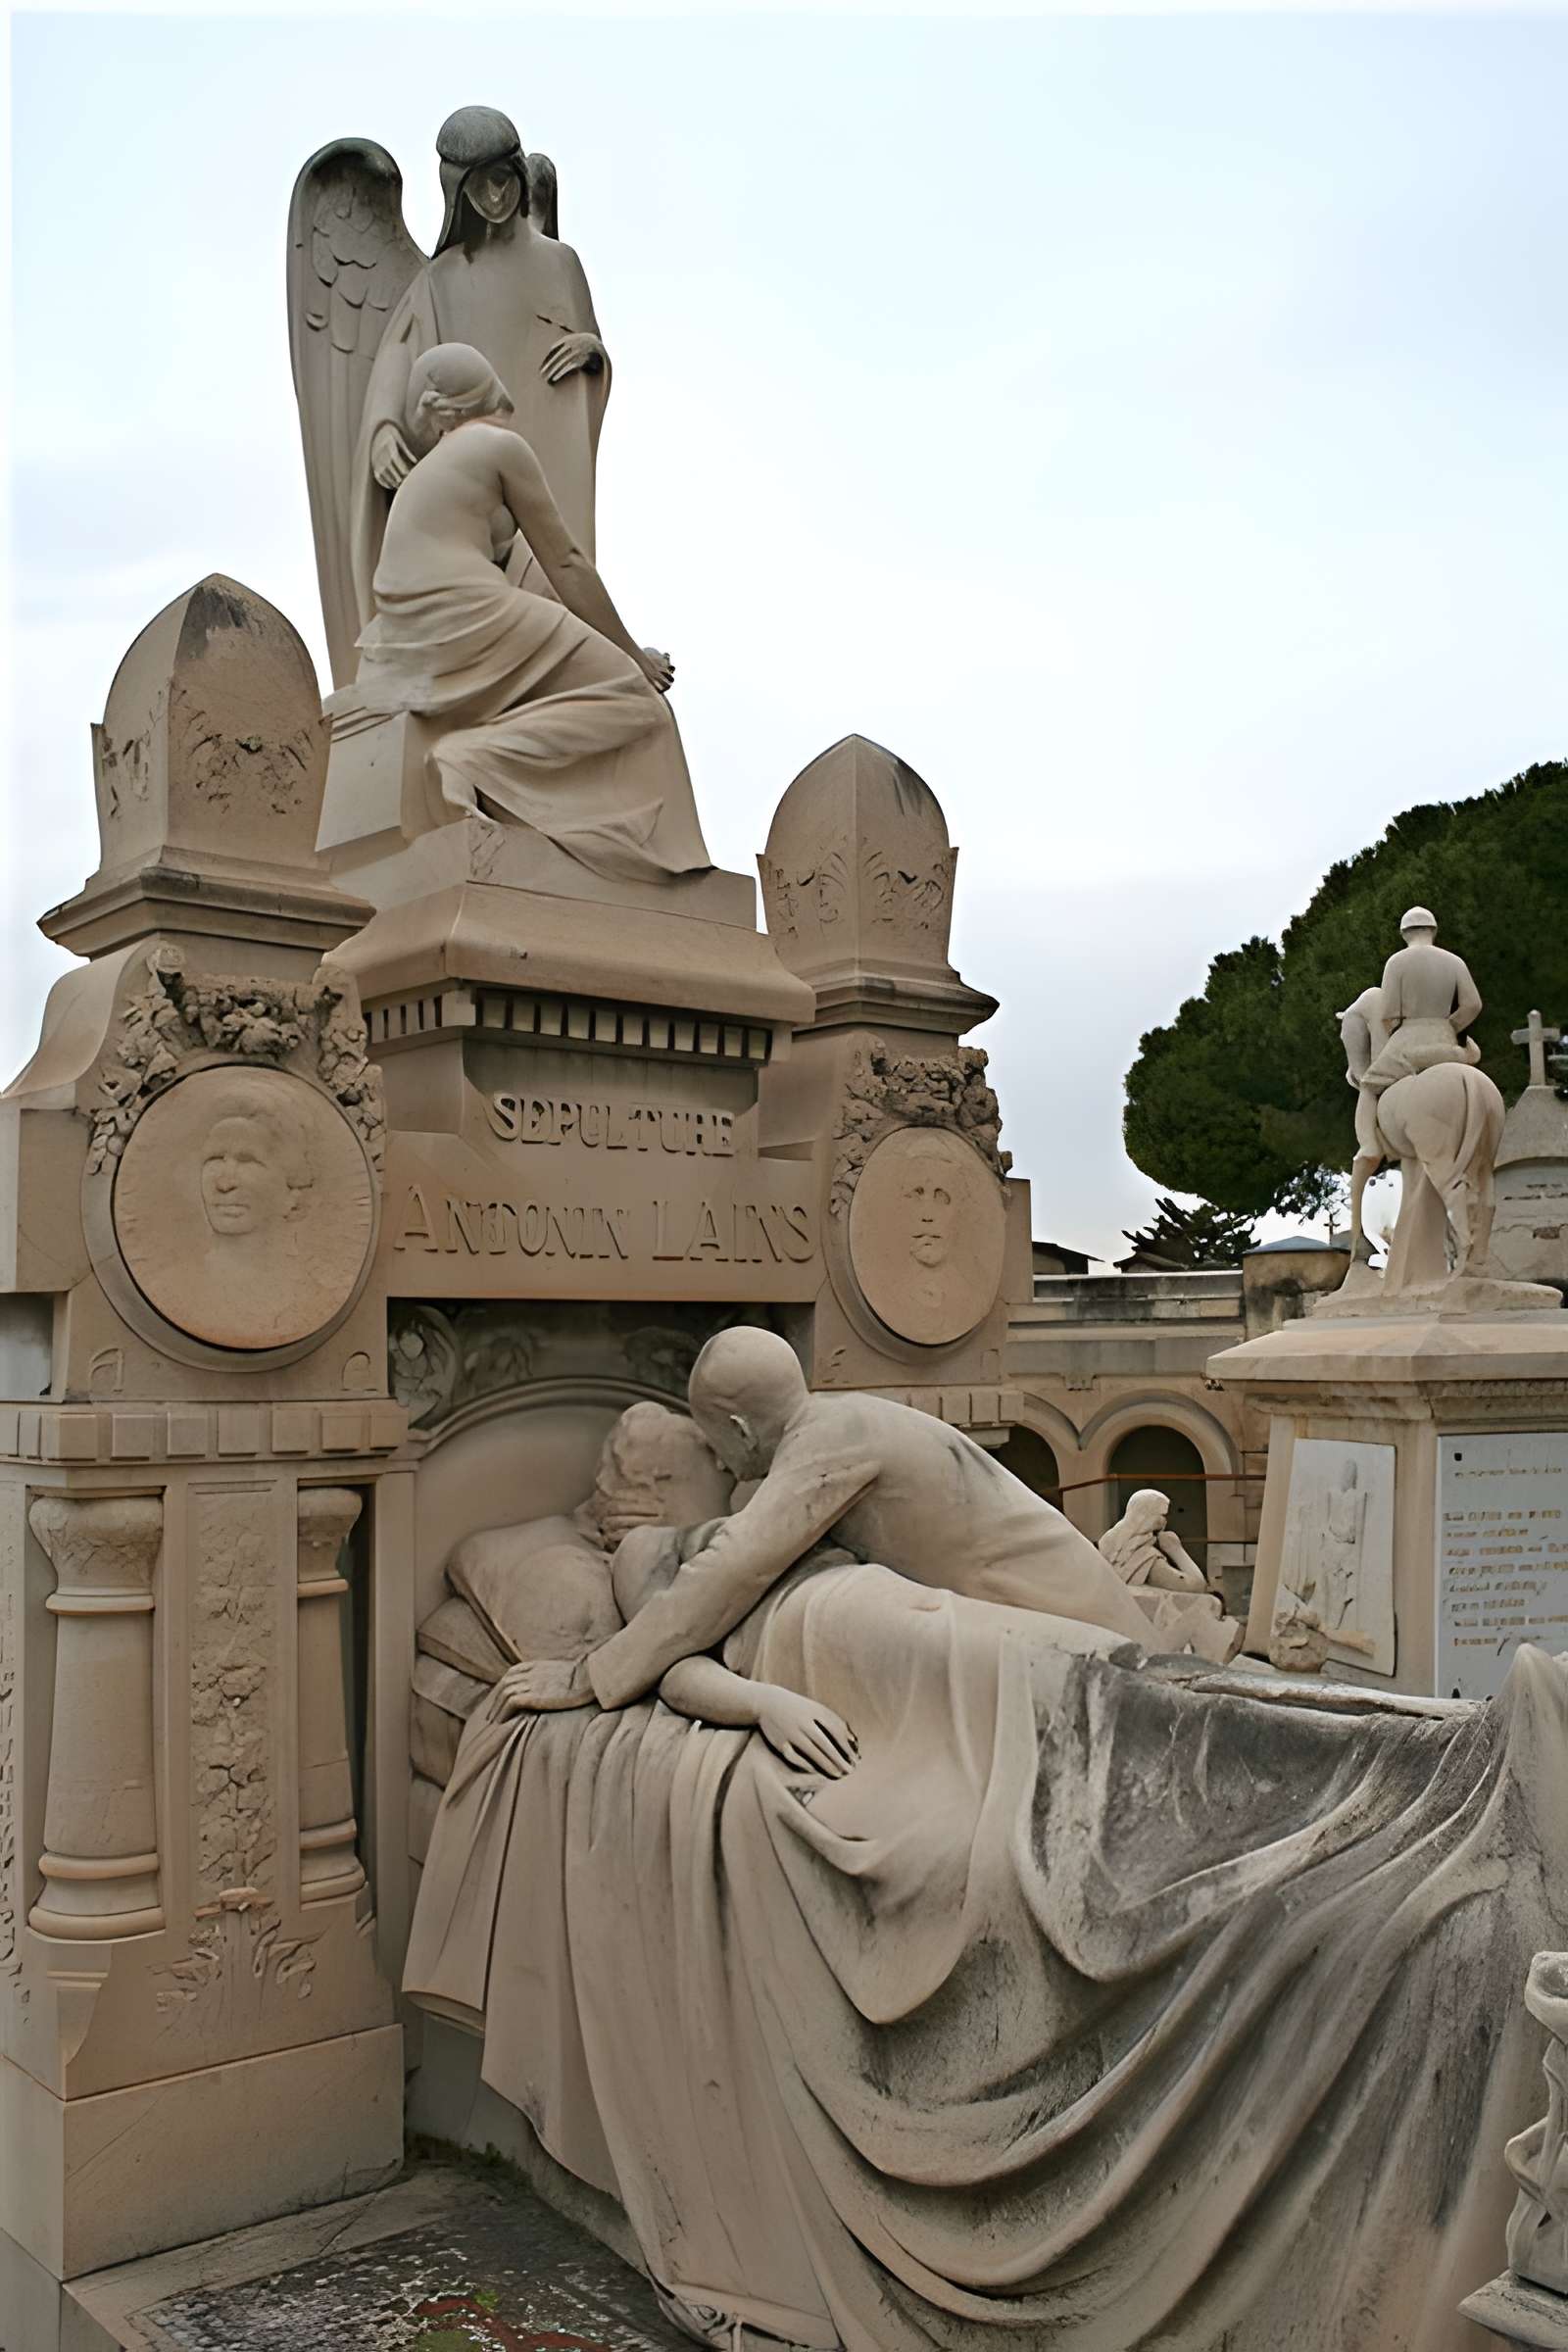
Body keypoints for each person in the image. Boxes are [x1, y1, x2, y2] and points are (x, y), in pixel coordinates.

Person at [498, 1328, 1157, 1715]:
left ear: (736, 1428)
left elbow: (730, 1572)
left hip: (1086, 1637)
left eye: (714, 1444)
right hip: (1064, 1615)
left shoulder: (828, 1442)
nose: (723, 1467)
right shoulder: (845, 1421)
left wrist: (587, 1677)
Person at [355, 341, 710, 884]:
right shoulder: (501, 447)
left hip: (409, 621)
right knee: (636, 700)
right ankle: (471, 756)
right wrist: (633, 654)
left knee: (581, 679)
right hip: (466, 605)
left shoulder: (429, 472)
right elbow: (566, 563)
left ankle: (479, 758)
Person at [1360, 906, 1482, 1095]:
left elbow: (1388, 1015)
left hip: (1408, 1039)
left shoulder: (1395, 962)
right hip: (1445, 1037)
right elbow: (1473, 1005)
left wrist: (1391, 1033)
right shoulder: (1455, 961)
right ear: (1433, 931)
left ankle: (1367, 1126)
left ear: (1403, 934)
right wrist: (1450, 1026)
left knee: (1368, 1085)